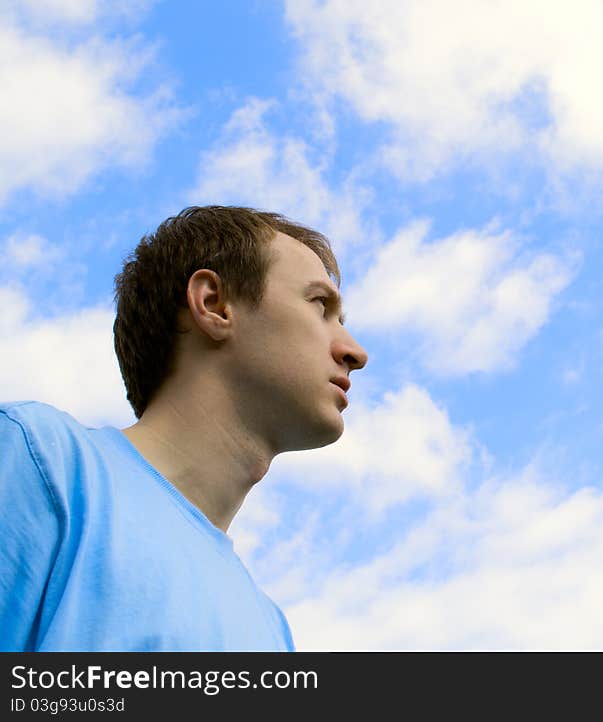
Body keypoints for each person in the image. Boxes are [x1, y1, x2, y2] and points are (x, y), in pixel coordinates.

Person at [0, 206, 368, 651]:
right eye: (320, 305)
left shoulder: (272, 629)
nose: (355, 352)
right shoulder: (39, 460)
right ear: (214, 304)